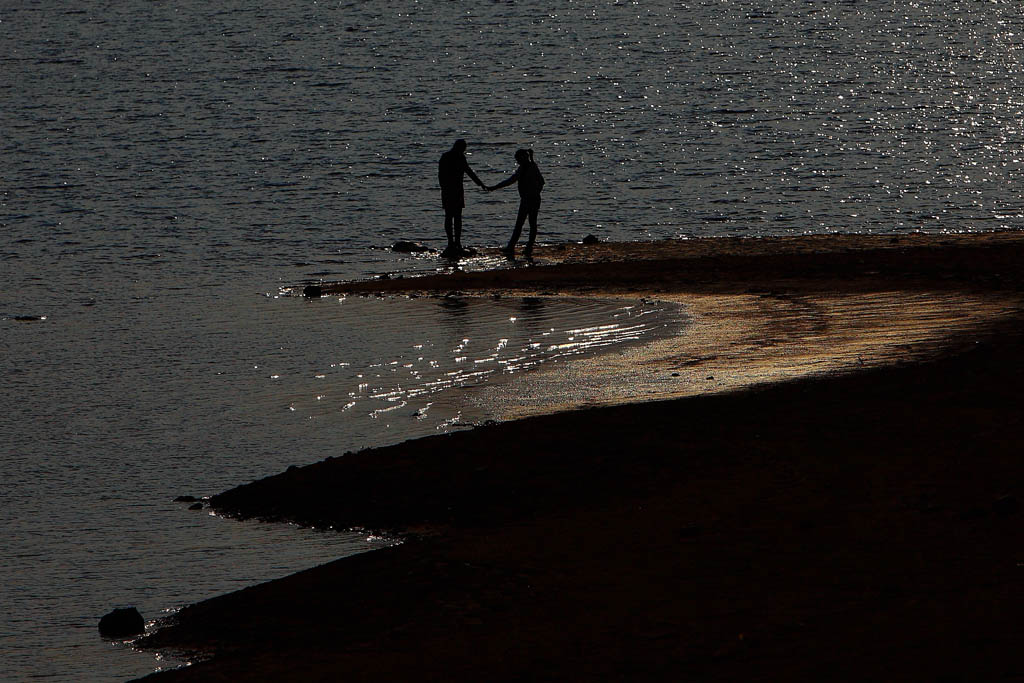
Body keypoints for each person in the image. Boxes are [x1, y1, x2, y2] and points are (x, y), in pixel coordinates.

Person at [487, 149, 545, 258]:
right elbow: (511, 180)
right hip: (528, 199)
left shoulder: (530, 167)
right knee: (524, 223)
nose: (517, 161)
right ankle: (516, 246)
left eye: (518, 159)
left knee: (528, 223)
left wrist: (535, 192)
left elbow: (541, 182)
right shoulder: (524, 168)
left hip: (531, 199)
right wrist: (494, 187)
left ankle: (525, 247)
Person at [438, 139, 485, 257]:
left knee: (450, 216)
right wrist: (480, 184)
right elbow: (469, 171)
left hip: (448, 190)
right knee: (456, 217)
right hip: (455, 190)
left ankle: (452, 243)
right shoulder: (458, 157)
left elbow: (440, 175)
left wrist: (443, 187)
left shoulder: (446, 156)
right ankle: (455, 242)